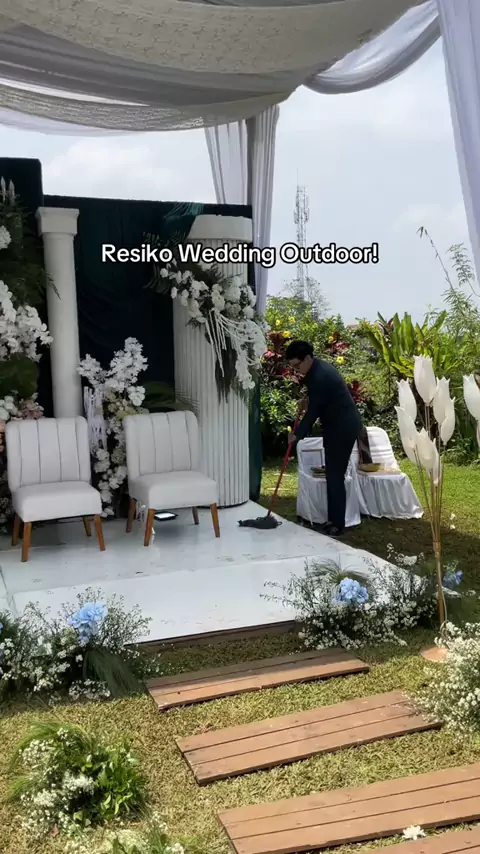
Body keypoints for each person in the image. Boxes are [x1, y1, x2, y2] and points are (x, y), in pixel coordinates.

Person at [285, 339, 362, 537]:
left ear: (307, 359)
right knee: (332, 474)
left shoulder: (320, 376)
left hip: (342, 428)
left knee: (335, 475)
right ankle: (333, 520)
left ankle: (337, 525)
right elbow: (319, 401)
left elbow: (313, 412)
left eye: (297, 366)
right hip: (336, 426)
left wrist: (297, 435)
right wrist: (308, 402)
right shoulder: (316, 370)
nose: (296, 371)